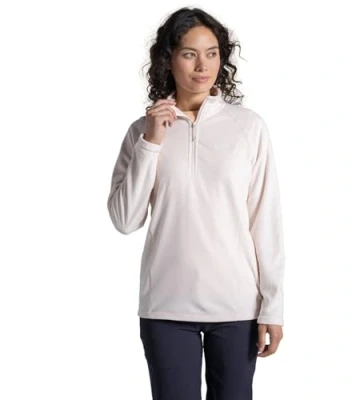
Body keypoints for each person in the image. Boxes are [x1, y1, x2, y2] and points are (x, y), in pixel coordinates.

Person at [107, 6, 285, 400]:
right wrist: (151, 142)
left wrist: (272, 306)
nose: (203, 66)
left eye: (212, 53)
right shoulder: (141, 132)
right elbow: (124, 219)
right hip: (166, 307)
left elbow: (265, 222)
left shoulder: (248, 127)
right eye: (189, 54)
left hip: (237, 307)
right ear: (168, 59)